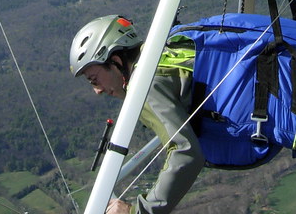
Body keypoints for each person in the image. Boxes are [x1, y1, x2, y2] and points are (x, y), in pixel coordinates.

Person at [70, 15, 204, 214]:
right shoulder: (158, 52)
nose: (97, 91)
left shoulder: (144, 85)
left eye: (94, 79)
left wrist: (137, 212)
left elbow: (185, 151)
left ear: (115, 61)